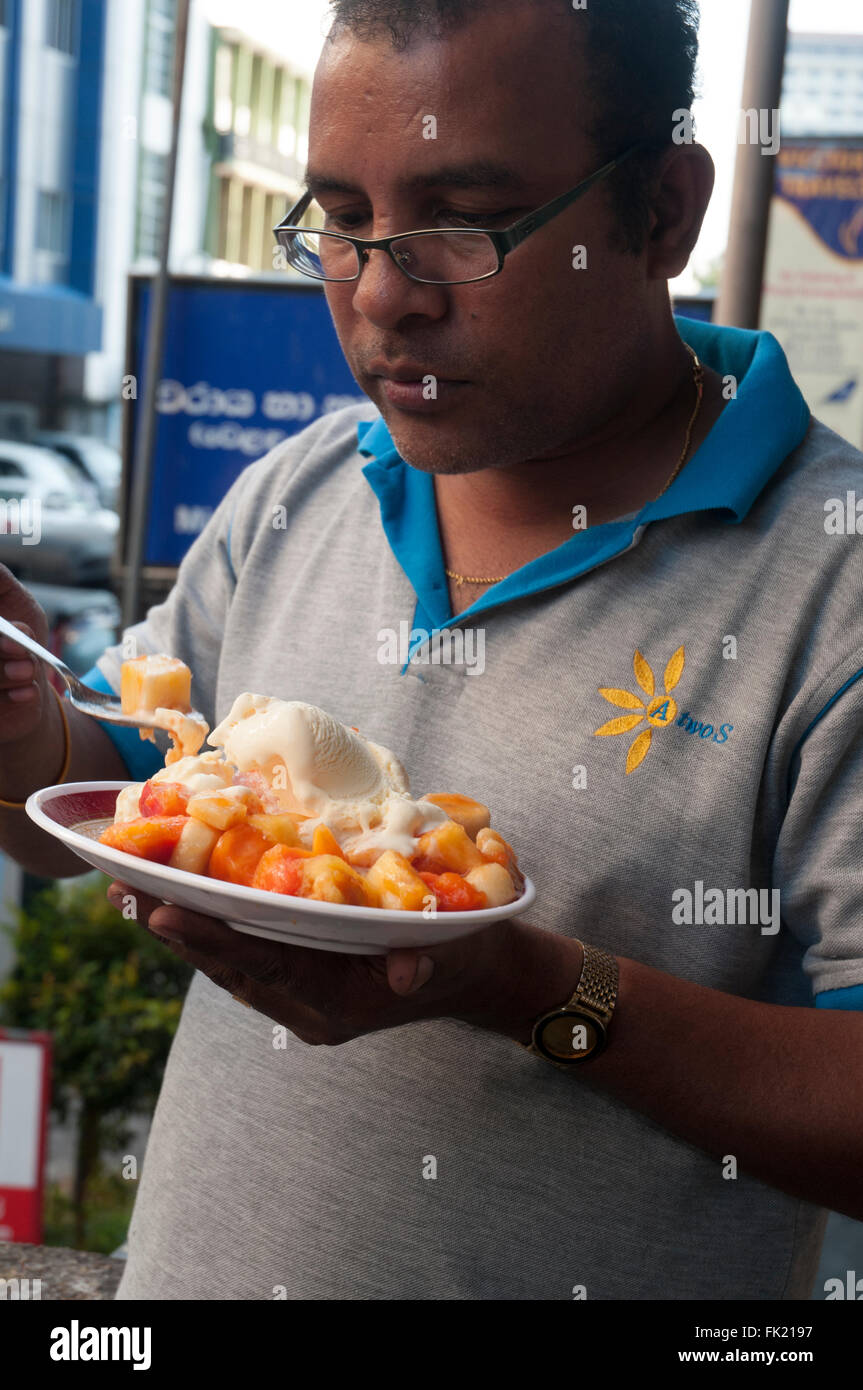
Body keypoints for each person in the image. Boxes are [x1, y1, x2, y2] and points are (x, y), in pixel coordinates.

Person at [1, 0, 862, 1300]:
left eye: (463, 223)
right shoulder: (299, 491)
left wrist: (521, 985)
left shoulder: (833, 585)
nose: (384, 297)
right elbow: (107, 779)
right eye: (341, 222)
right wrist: (19, 724)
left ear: (663, 212)